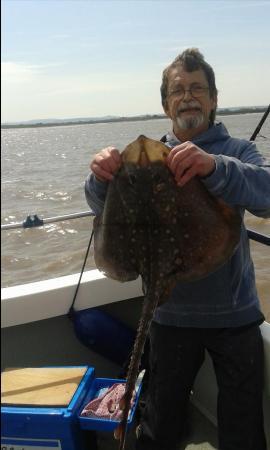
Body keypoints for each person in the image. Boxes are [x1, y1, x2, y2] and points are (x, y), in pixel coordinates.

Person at [85, 48, 270, 450]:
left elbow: (267, 196)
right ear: (166, 103)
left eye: (198, 88)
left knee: (243, 428)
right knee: (160, 424)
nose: (188, 96)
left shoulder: (236, 152)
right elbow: (103, 209)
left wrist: (216, 168)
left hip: (235, 315)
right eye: (178, 89)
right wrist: (101, 178)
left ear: (214, 99)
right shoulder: (141, 160)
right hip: (169, 315)